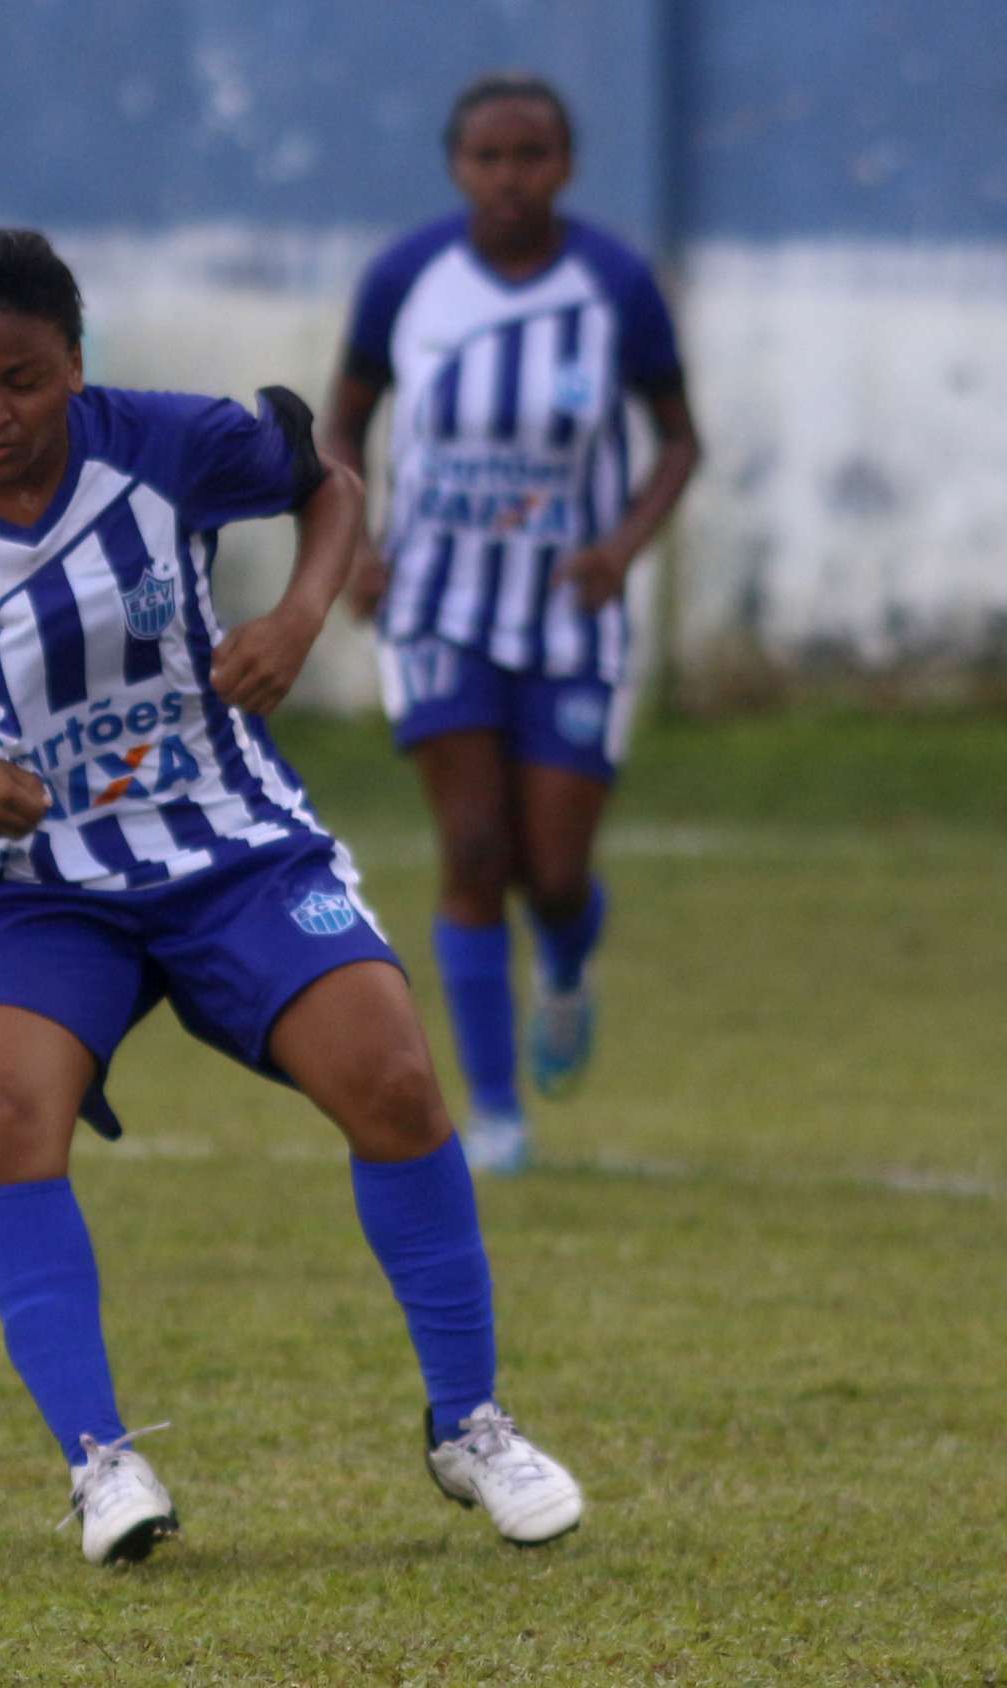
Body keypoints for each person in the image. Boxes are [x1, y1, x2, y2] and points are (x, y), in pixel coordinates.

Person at [0, 229, 583, 1566]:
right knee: (2, 1110)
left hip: (232, 845)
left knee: (398, 1082)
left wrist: (299, 614)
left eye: (23, 378)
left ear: (76, 363)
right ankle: (99, 1462)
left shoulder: (172, 443)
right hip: (43, 882)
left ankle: (470, 1423)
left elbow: (331, 483)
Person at [325, 73, 702, 1175]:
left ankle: (570, 958)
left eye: (530, 155)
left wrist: (620, 548)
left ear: (566, 166)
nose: (508, 177)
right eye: (487, 157)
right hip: (436, 603)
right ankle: (494, 1113)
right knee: (474, 848)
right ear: (456, 167)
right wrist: (357, 544)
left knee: (552, 870)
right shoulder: (408, 278)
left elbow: (679, 440)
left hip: (569, 611)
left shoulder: (614, 283)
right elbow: (343, 420)